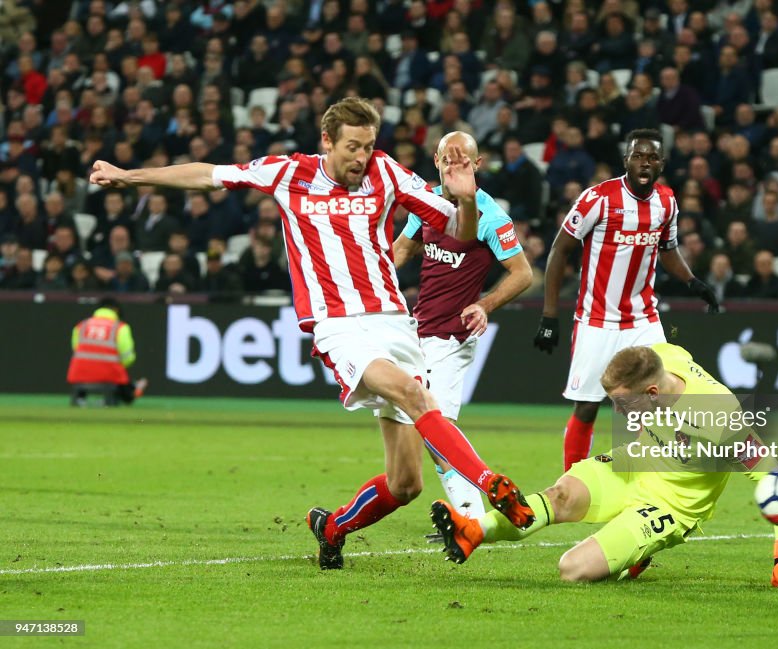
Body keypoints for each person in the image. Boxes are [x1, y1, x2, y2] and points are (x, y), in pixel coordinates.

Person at [88, 97, 535, 571]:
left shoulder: (386, 172)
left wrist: (465, 199)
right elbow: (209, 174)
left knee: (406, 484)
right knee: (412, 394)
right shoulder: (288, 174)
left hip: (394, 322)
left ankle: (332, 528)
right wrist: (130, 176)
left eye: (367, 146)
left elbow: (459, 233)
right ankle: (491, 484)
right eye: (351, 147)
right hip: (339, 325)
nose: (361, 158)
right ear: (327, 141)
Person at [430, 343, 778, 590]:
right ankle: (472, 531)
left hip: (669, 507)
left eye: (622, 402)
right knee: (561, 494)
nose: (616, 411)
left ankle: (635, 551)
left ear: (652, 392)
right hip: (631, 465)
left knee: (572, 569)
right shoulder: (664, 355)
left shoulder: (719, 417)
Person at [534, 128, 719, 472]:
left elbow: (668, 250)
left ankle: (651, 477)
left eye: (652, 157)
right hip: (596, 319)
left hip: (643, 319)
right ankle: (573, 483)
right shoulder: (598, 198)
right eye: (638, 156)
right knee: (587, 407)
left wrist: (693, 282)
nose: (645, 163)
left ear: (662, 163)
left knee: (660, 397)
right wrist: (549, 315)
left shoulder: (667, 202)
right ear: (626, 161)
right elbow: (560, 251)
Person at [393, 131, 533, 519]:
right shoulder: (426, 202)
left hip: (452, 336)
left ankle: (471, 516)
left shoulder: (489, 215)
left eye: (461, 160)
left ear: (477, 164)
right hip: (418, 331)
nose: (452, 166)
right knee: (429, 429)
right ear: (436, 162)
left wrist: (485, 304)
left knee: (437, 427)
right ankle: (471, 512)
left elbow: (522, 273)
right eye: (446, 160)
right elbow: (403, 249)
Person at [66, 298, 148, 406]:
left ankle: (81, 399)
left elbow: (76, 349)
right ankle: (132, 389)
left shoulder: (81, 325)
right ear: (116, 310)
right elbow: (128, 358)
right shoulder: (120, 327)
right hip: (109, 375)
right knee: (122, 381)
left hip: (80, 373)